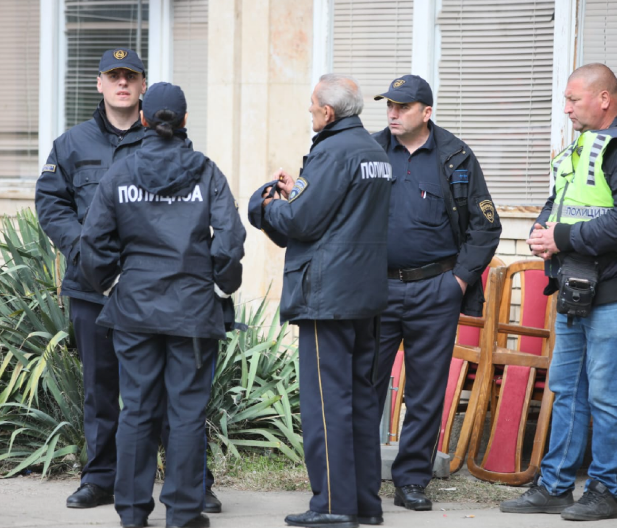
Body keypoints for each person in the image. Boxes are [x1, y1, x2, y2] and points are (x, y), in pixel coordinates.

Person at [35, 50, 222, 513]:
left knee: (164, 392)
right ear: (98, 84)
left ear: (142, 89)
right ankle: (101, 478)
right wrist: (86, 253)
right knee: (102, 389)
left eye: (131, 76)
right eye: (113, 76)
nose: (122, 82)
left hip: (158, 289)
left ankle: (192, 484)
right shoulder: (71, 144)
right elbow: (51, 205)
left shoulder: (166, 138)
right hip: (93, 287)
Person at [499, 63, 617, 521]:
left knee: (607, 394)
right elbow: (562, 199)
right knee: (566, 387)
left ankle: (604, 491)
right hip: (580, 281)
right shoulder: (583, 144)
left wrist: (563, 238)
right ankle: (555, 486)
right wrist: (540, 230)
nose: (567, 107)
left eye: (574, 99)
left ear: (604, 99)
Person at [79, 82, 246, 528]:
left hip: (134, 310)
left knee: (135, 410)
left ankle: (132, 513)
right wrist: (221, 286)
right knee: (186, 413)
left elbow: (92, 242)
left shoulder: (121, 172)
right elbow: (229, 242)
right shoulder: (206, 172)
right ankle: (185, 514)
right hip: (192, 312)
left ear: (144, 119)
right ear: (185, 120)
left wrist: (112, 283)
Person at [248, 74, 392, 528]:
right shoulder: (374, 151)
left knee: (326, 406)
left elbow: (301, 223)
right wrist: (300, 194)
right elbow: (339, 213)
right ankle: (365, 504)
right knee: (362, 404)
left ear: (327, 113)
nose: (311, 113)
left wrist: (267, 203)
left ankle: (331, 506)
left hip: (326, 296)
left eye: (313, 107)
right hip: (365, 295)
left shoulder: (331, 151)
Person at [370, 75, 501, 511]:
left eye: (403, 107)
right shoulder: (369, 151)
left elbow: (486, 225)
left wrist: (458, 282)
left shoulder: (455, 156)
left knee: (425, 391)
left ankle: (411, 481)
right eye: (389, 105)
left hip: (435, 289)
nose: (392, 113)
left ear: (426, 112)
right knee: (366, 385)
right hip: (376, 289)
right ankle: (360, 478)